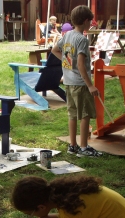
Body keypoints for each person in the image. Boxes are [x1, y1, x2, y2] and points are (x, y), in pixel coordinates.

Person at [52, 6, 102, 157]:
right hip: (80, 84)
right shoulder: (82, 40)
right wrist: (90, 85)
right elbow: (81, 65)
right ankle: (84, 148)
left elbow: (54, 50)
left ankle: (72, 146)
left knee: (72, 115)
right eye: (90, 21)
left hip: (68, 82)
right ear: (86, 21)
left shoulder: (67, 36)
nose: (91, 24)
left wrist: (67, 62)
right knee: (85, 115)